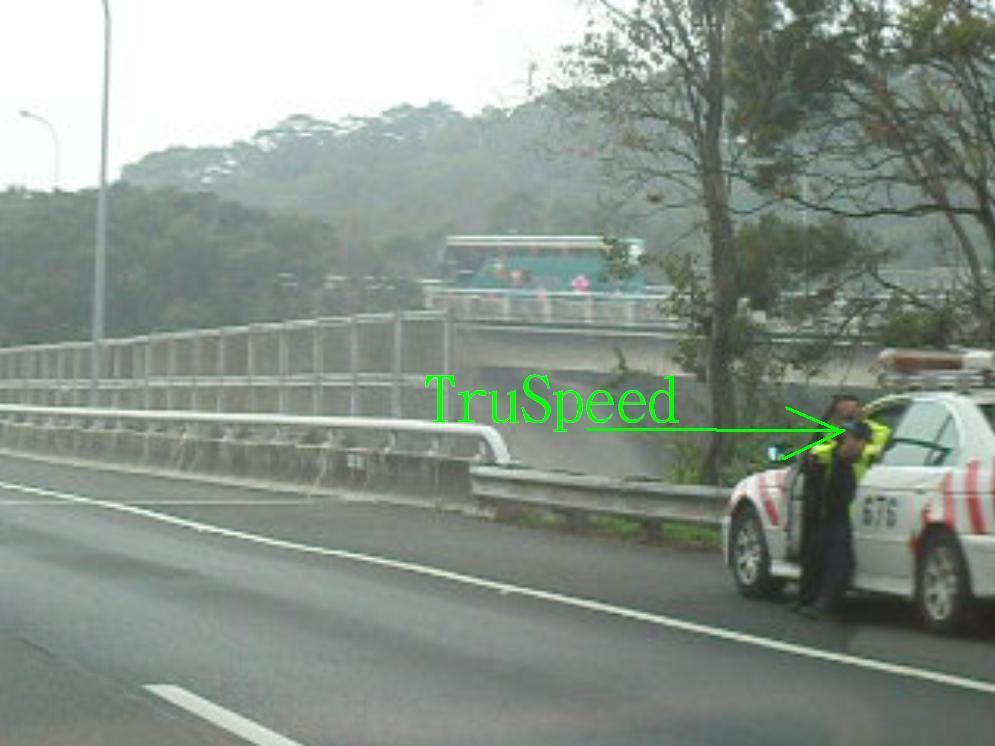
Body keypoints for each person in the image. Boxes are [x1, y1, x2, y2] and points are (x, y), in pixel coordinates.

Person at [797, 420, 873, 618]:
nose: (857, 445)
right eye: (854, 439)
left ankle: (824, 602)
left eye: (861, 441)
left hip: (843, 515)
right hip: (823, 514)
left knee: (838, 559)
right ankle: (806, 598)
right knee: (814, 555)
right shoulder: (824, 457)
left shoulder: (862, 462)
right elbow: (812, 485)